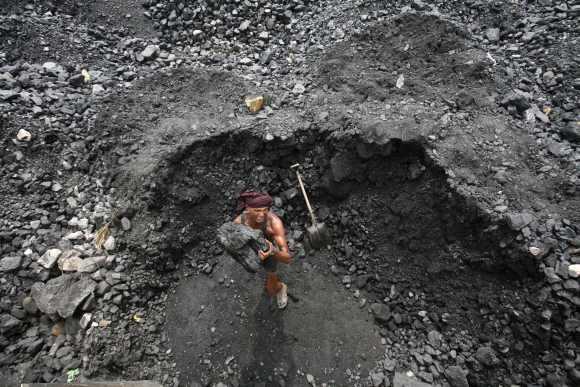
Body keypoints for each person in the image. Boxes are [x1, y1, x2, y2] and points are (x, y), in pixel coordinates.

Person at [234, 191, 292, 309]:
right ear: (247, 209)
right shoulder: (239, 222)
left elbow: (287, 259)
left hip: (269, 251)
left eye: (264, 210)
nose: (261, 214)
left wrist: (273, 251)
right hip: (253, 249)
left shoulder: (274, 223)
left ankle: (280, 287)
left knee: (271, 289)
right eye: (257, 211)